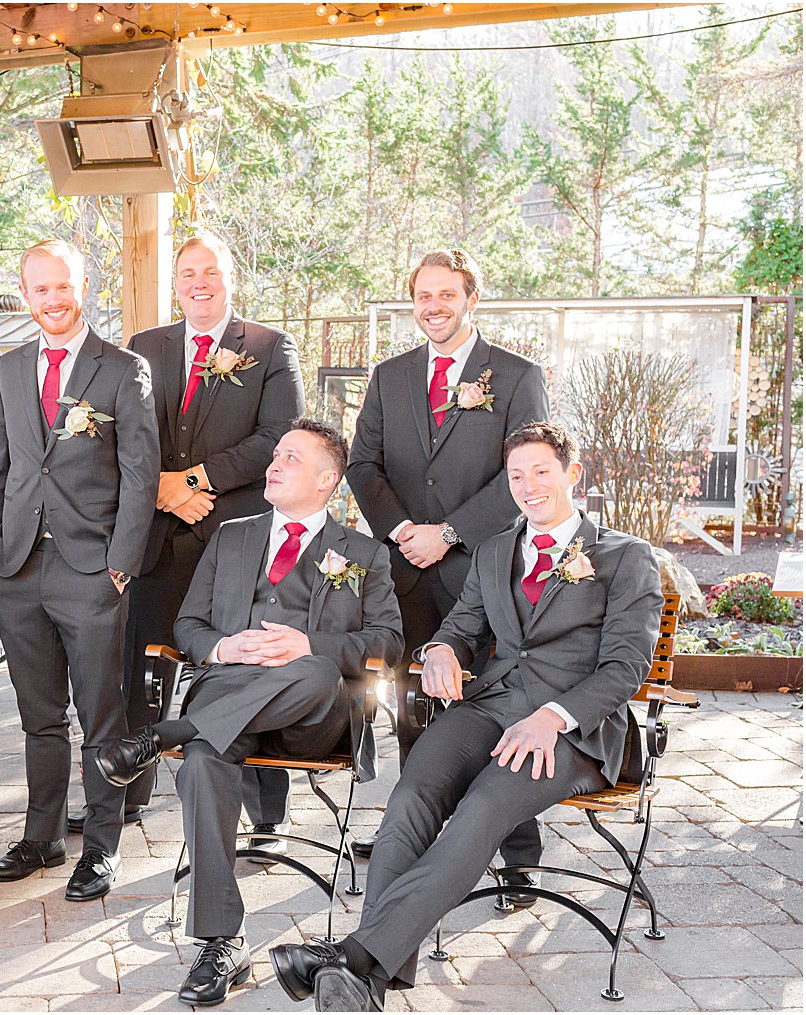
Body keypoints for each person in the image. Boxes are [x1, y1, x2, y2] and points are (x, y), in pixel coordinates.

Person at [272, 421, 663, 1012]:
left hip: (575, 731)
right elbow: (460, 628)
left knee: (481, 809)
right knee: (410, 797)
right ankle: (367, 980)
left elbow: (625, 667)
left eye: (541, 472)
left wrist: (554, 717)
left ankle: (354, 962)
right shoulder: (494, 550)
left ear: (572, 475)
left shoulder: (624, 557)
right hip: (491, 706)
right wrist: (440, 653)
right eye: (516, 476)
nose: (529, 487)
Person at [98, 420, 402, 1007]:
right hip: (228, 697)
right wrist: (223, 647)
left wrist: (308, 644)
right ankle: (221, 943)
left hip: (311, 714)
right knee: (202, 766)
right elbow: (188, 627)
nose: (275, 463)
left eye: (291, 457)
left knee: (314, 670)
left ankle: (167, 734)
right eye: (276, 455)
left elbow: (388, 645)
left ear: (327, 480)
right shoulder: (232, 537)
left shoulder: (364, 553)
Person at [344, 248, 550, 889]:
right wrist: (406, 532)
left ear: (472, 299)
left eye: (446, 295)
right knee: (410, 705)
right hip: (405, 571)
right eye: (423, 296)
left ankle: (515, 853)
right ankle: (417, 834)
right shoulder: (390, 375)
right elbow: (362, 465)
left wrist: (450, 533)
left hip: (483, 576)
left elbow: (526, 473)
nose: (433, 307)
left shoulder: (516, 377)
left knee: (496, 703)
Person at [95, 233, 302, 840]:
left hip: (233, 540)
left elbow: (278, 438)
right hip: (155, 537)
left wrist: (191, 480)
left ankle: (264, 814)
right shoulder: (144, 347)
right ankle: (129, 795)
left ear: (230, 277)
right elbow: (120, 431)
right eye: (188, 273)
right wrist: (160, 489)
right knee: (138, 666)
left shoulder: (266, 347)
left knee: (247, 670)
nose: (198, 282)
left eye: (210, 271)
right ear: (175, 282)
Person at [0, 238, 158, 902]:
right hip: (19, 564)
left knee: (101, 715)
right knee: (38, 714)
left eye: (63, 287)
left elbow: (140, 476)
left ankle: (102, 847)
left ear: (84, 287)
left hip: (92, 570)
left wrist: (119, 568)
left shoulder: (123, 369)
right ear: (25, 293)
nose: (52, 300)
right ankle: (43, 834)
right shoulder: (9, 368)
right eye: (40, 289)